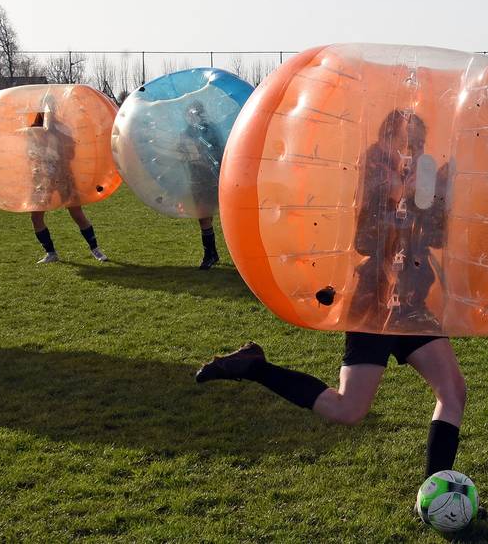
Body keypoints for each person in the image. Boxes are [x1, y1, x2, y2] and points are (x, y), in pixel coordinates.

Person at [195, 110, 467, 484]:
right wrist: (401, 195)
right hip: (374, 304)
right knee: (348, 409)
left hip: (412, 304)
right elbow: (365, 241)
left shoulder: (419, 176)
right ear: (386, 142)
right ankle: (254, 366)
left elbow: (433, 239)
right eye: (405, 143)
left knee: (453, 393)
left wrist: (437, 196)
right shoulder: (373, 174)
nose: (412, 150)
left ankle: (438, 492)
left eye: (418, 144)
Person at [26, 101, 107, 264]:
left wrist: (59, 146)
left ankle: (95, 249)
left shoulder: (63, 129)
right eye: (45, 108)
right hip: (42, 177)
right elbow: (30, 154)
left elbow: (71, 154)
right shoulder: (34, 130)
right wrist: (41, 141)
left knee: (77, 213)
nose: (49, 112)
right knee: (36, 217)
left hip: (63, 174)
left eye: (51, 108)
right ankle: (50, 253)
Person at [182, 101, 222, 270]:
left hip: (211, 178)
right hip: (196, 178)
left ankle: (212, 254)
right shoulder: (186, 133)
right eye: (189, 114)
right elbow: (183, 153)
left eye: (195, 113)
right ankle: (211, 254)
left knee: (213, 216)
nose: (192, 116)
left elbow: (221, 150)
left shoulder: (211, 130)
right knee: (204, 217)